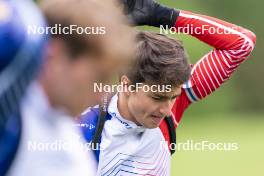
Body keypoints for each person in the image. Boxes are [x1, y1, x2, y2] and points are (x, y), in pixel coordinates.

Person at [80, 0, 256, 175]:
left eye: (173, 97)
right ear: (126, 85)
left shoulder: (173, 106)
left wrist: (163, 15)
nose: (167, 110)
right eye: (157, 97)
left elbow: (242, 43)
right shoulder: (83, 129)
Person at [0, 0, 135, 175]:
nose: (102, 94)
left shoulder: (66, 160)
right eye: (98, 77)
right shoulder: (12, 58)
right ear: (54, 55)